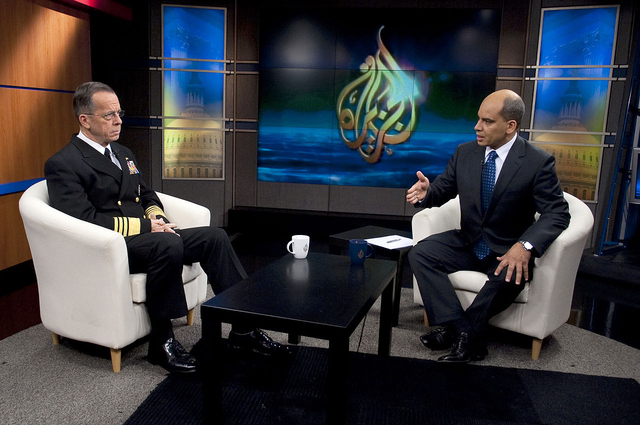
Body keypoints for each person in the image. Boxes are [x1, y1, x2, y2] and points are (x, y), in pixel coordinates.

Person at [45, 81, 290, 374]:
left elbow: (147, 195)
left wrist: (157, 219)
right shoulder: (64, 163)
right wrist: (148, 227)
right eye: (109, 115)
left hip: (147, 237)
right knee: (167, 243)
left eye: (119, 112)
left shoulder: (122, 152)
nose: (119, 120)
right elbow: (83, 221)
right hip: (109, 245)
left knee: (214, 236)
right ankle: (161, 343)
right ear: (84, 120)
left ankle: (244, 330)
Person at [406, 89, 570, 363]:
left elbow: (557, 212)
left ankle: (458, 336)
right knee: (421, 253)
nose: (477, 127)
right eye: (478, 119)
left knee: (508, 275)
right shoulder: (465, 153)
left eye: (487, 121)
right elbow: (443, 190)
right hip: (468, 241)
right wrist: (427, 193)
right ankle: (463, 332)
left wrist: (525, 246)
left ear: (510, 126)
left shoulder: (537, 162)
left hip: (508, 249)